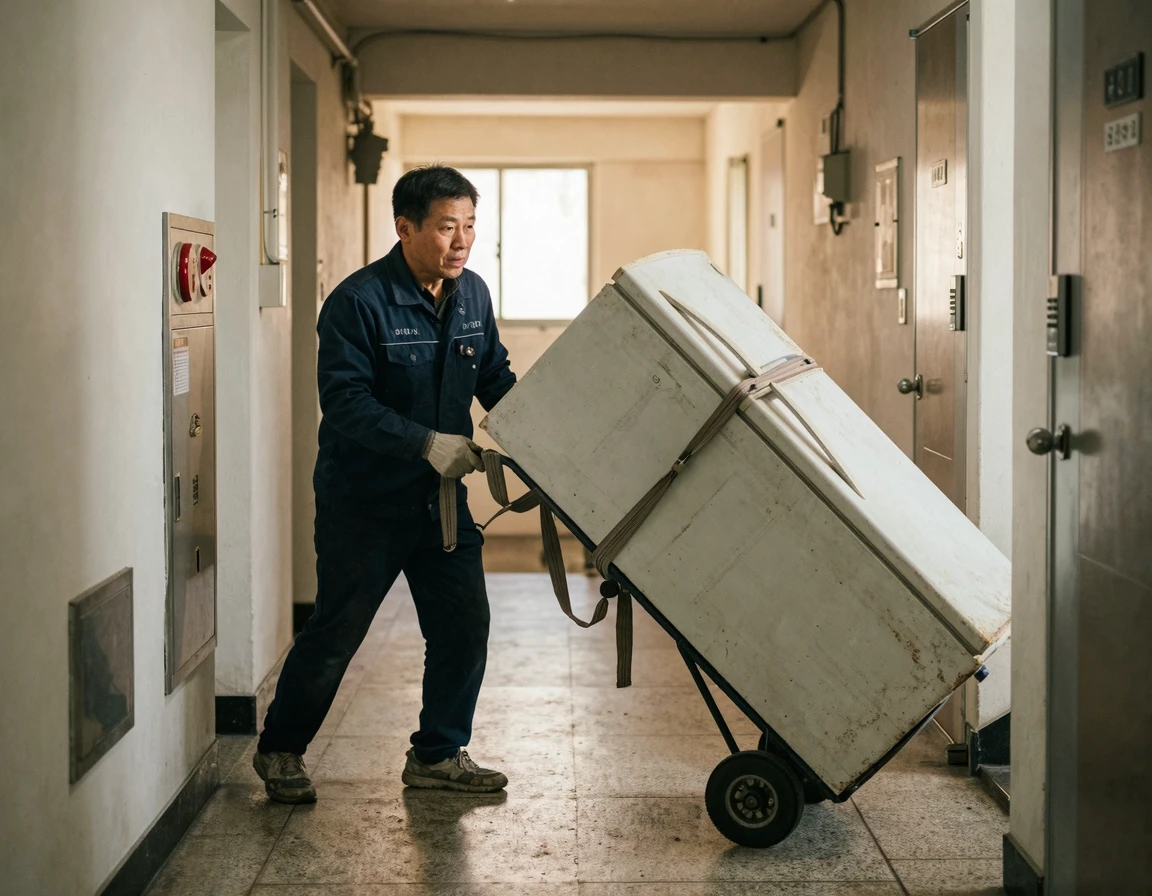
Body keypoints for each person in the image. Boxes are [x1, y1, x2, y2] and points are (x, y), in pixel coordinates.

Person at [252, 165, 517, 804]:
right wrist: (428, 443)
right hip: (363, 507)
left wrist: (545, 436)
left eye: (472, 226)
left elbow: (496, 376)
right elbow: (344, 401)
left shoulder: (474, 295)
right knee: (337, 631)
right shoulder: (358, 302)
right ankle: (280, 751)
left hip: (441, 509)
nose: (463, 241)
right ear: (405, 227)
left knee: (464, 626)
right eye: (448, 226)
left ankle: (437, 754)